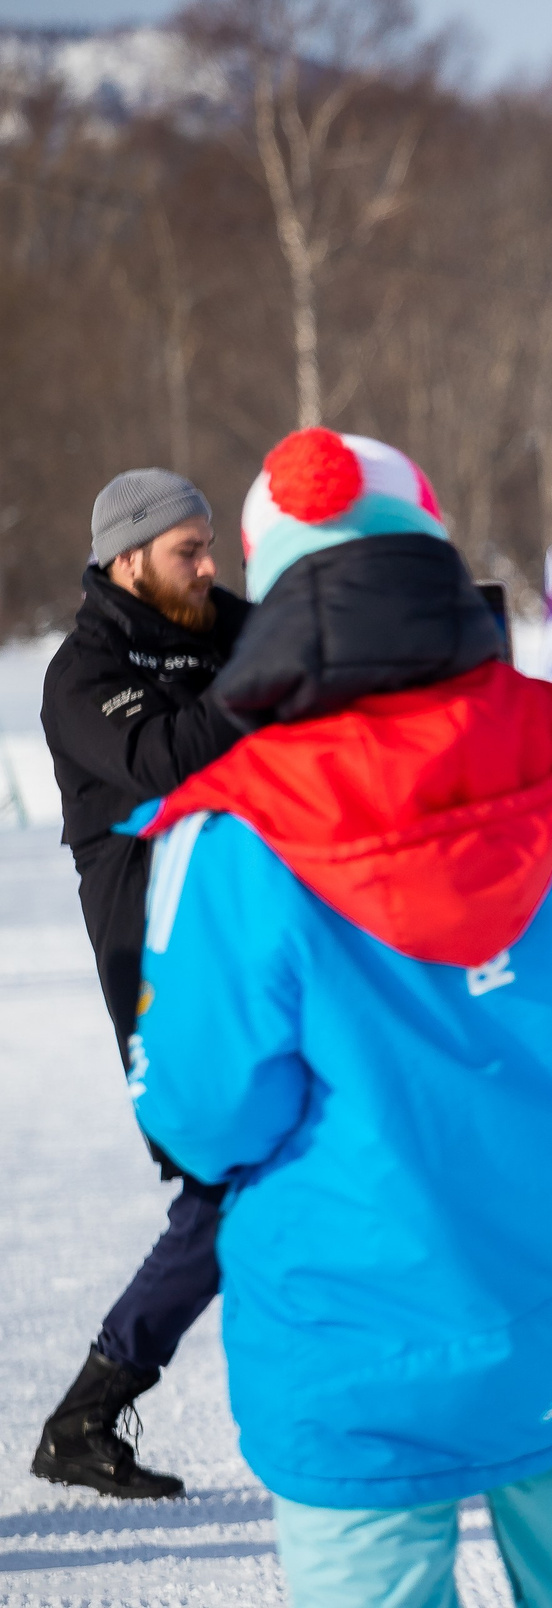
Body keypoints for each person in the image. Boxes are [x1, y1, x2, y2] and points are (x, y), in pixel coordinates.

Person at [123, 427, 552, 1608]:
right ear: (429, 547)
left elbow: (202, 1115)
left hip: (354, 1359)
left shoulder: (229, 829)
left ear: (271, 584)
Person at [33, 468, 250, 1499]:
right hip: (163, 968)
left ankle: (86, 1413)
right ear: (128, 560)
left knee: (285, 1169)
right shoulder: (83, 675)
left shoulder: (223, 628)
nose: (209, 568)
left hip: (255, 944)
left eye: (211, 547)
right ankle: (85, 1412)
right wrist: (273, 679)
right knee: (228, 1187)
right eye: (187, 551)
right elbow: (169, 758)